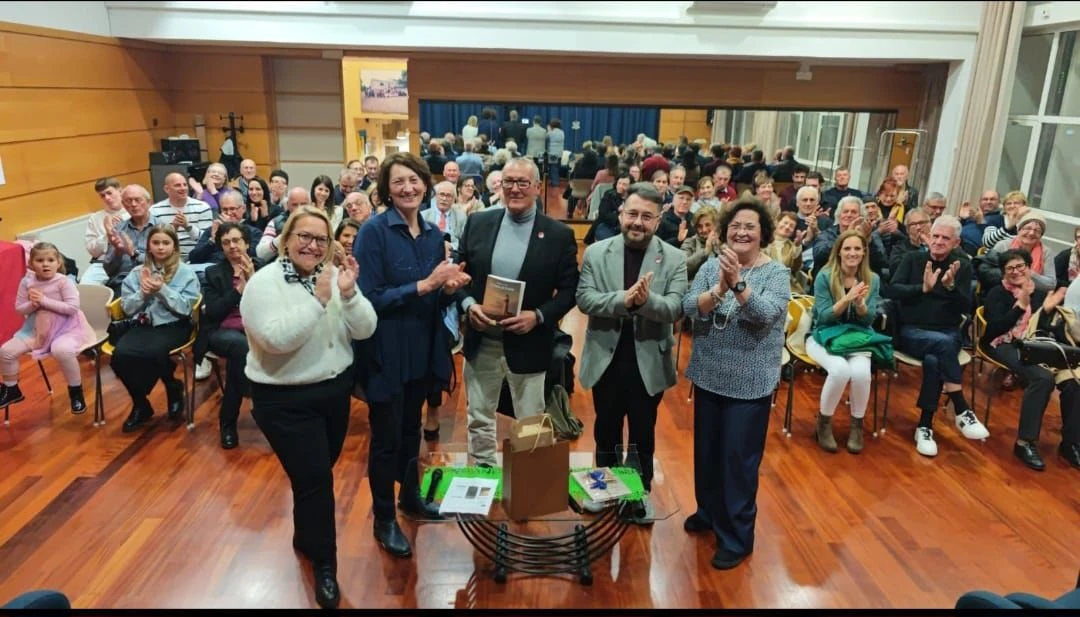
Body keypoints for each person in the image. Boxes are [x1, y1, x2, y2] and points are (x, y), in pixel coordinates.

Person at [240, 206, 377, 609]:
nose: (312, 245)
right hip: (284, 400)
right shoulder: (262, 285)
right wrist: (318, 303)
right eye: (304, 236)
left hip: (333, 393)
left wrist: (349, 294)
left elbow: (366, 328)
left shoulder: (334, 278)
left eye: (321, 239)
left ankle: (305, 537)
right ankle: (326, 566)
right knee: (317, 479)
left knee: (313, 475)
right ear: (285, 240)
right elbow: (274, 340)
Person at [354, 152, 470, 559]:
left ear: (426, 185)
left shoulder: (435, 236)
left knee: (411, 432)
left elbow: (434, 297)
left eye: (415, 181)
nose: (408, 188)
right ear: (386, 189)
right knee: (385, 439)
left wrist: (447, 290)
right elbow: (369, 299)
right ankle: (384, 518)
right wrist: (425, 285)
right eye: (399, 182)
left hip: (422, 348)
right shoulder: (372, 232)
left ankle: (410, 498)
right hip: (386, 351)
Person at [681, 198, 790, 570]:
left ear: (763, 234)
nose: (741, 232)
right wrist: (718, 290)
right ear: (725, 231)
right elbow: (689, 307)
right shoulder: (711, 265)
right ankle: (709, 513)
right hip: (709, 374)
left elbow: (764, 316)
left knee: (738, 462)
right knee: (708, 454)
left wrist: (737, 284)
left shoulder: (776, 273)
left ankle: (737, 537)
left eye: (750, 227)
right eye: (735, 227)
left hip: (750, 382)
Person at [454, 157, 579, 467]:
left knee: (530, 420)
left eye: (523, 182)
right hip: (482, 339)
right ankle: (484, 473)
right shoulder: (478, 223)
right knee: (479, 415)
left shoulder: (558, 235)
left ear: (537, 187)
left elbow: (569, 291)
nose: (515, 188)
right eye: (508, 181)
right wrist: (469, 305)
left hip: (530, 342)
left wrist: (537, 316)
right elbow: (458, 276)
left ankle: (527, 482)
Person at [576, 183, 688, 517]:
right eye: (632, 214)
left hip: (648, 360)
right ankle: (604, 488)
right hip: (606, 357)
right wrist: (624, 300)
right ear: (621, 213)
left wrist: (645, 301)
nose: (637, 222)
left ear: (658, 220)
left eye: (646, 217)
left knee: (642, 431)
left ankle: (636, 493)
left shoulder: (674, 258)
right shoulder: (597, 251)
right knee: (605, 429)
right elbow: (585, 299)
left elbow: (675, 307)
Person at [884, 215, 988, 457]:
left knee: (934, 359)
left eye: (945, 238)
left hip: (947, 331)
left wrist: (951, 287)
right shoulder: (912, 259)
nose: (939, 241)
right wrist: (923, 288)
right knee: (941, 347)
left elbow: (966, 307)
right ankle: (961, 408)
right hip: (912, 331)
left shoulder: (960, 265)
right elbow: (892, 290)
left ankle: (925, 426)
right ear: (929, 237)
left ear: (956, 242)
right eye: (935, 236)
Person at [980, 249, 1080, 471]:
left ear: (1029, 267)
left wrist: (1047, 311)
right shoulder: (997, 293)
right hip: (1004, 343)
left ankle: (1071, 442)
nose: (1016, 272)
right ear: (1003, 273)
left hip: (1038, 344)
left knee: (1074, 383)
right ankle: (1024, 442)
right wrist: (1020, 305)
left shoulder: (1041, 292)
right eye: (1010, 269)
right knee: (1042, 379)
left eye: (1020, 266)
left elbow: (1048, 327)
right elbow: (992, 331)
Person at [112, 226, 200, 433]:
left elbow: (187, 309)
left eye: (166, 243)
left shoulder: (186, 272)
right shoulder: (136, 273)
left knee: (153, 353)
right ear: (149, 246)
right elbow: (126, 308)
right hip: (143, 325)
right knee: (120, 356)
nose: (161, 248)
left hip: (174, 325)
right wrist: (142, 294)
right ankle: (141, 403)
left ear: (174, 246)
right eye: (156, 243)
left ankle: (171, 385)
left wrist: (162, 290)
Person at [807, 230, 882, 454]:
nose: (852, 253)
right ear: (839, 251)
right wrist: (847, 299)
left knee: (860, 373)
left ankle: (857, 426)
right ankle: (824, 423)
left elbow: (869, 319)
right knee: (840, 370)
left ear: (864, 252)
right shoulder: (825, 276)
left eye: (857, 248)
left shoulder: (873, 279)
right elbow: (824, 317)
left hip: (857, 337)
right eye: (847, 248)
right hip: (824, 335)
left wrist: (860, 305)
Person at [0, 243, 95, 412]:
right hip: (37, 328)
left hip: (67, 328)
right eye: (40, 260)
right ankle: (12, 389)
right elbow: (19, 308)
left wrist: (44, 301)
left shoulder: (63, 282)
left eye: (50, 260)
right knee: (6, 352)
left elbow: (72, 308)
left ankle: (75, 391)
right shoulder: (27, 282)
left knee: (62, 350)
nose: (45, 264)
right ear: (31, 264)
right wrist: (33, 304)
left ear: (58, 263)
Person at [196, 222, 262, 449]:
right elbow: (213, 312)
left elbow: (270, 305)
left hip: (256, 329)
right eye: (226, 242)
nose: (232, 246)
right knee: (241, 348)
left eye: (236, 241)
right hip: (221, 331)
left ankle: (228, 422)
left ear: (247, 243)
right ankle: (254, 401)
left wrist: (252, 281)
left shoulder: (263, 268)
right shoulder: (213, 272)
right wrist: (238, 291)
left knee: (238, 361)